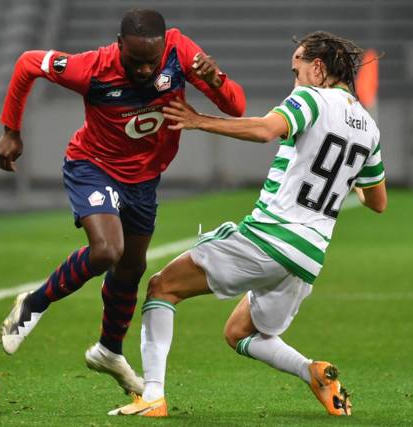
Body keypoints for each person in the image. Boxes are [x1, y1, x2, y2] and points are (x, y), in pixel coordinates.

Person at [111, 31, 387, 417]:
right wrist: (345, 177)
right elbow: (377, 202)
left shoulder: (311, 98)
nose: (295, 81)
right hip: (307, 258)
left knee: (162, 287)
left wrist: (199, 120)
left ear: (318, 68)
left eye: (296, 72)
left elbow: (264, 130)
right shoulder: (369, 129)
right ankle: (312, 373)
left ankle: (153, 395)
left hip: (270, 237)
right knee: (239, 333)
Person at [0, 9, 246, 395]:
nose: (144, 71)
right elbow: (29, 63)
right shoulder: (91, 68)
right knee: (107, 251)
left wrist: (216, 81)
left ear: (164, 48)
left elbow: (236, 107)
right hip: (93, 166)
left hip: (143, 180)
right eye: (135, 61)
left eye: (151, 62)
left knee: (131, 268)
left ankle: (109, 350)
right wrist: (11, 130)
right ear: (119, 45)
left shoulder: (181, 53)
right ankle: (33, 304)